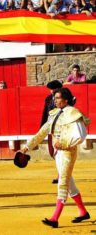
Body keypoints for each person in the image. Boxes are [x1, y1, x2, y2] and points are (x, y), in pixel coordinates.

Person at [22, 87, 91, 228]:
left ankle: (55, 218)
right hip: (58, 153)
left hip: (67, 153)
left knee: (63, 183)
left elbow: (80, 135)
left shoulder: (73, 113)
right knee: (69, 184)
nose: (55, 100)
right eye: (55, 97)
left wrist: (64, 143)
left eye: (58, 97)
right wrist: (27, 146)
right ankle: (83, 212)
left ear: (66, 99)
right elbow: (42, 132)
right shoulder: (54, 113)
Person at [40, 80, 63, 184]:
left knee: (59, 153)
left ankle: (61, 175)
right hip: (51, 128)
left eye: (53, 89)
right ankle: (62, 173)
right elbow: (45, 113)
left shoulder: (64, 98)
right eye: (50, 89)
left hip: (61, 129)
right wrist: (42, 127)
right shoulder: (48, 99)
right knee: (52, 152)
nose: (51, 91)